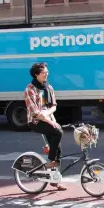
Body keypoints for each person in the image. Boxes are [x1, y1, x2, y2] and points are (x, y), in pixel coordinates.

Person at [23, 62, 66, 191]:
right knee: (58, 132)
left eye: (47, 72)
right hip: (36, 122)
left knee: (57, 148)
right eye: (44, 73)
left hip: (48, 119)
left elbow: (54, 105)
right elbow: (35, 112)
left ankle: (54, 180)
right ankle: (52, 161)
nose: (46, 74)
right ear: (36, 74)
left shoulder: (49, 87)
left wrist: (47, 114)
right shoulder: (29, 90)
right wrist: (48, 120)